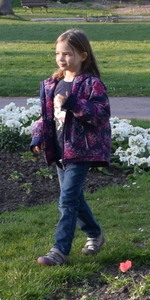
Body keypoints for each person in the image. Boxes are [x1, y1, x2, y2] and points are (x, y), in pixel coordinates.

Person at [30, 28, 110, 266]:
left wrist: (74, 103)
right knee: (74, 198)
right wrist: (38, 137)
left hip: (80, 150)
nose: (61, 58)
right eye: (58, 53)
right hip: (59, 150)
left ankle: (59, 250)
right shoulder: (52, 84)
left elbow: (101, 115)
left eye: (67, 54)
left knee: (66, 201)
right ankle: (95, 234)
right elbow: (46, 116)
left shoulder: (92, 84)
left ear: (83, 55)